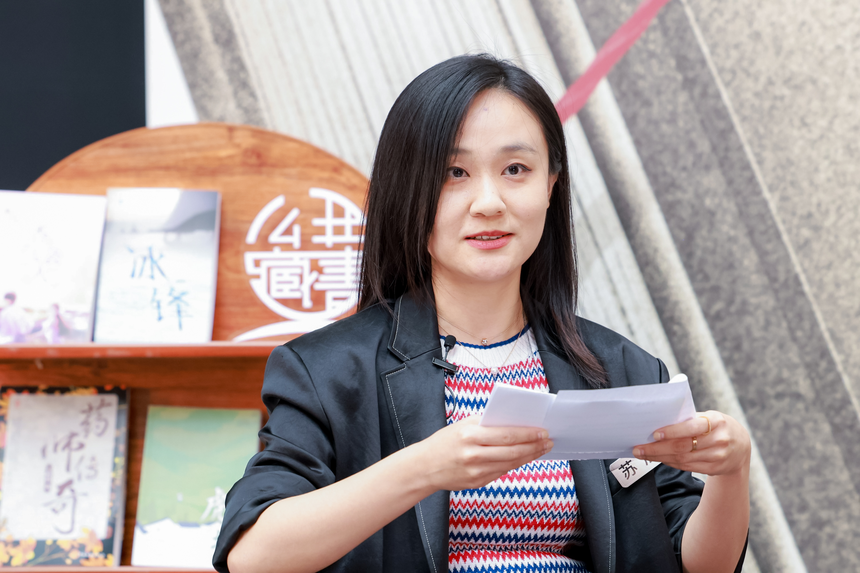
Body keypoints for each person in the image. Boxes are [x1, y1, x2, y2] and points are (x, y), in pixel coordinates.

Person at [214, 54, 750, 573]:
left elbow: (698, 563)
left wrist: (733, 470)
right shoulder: (326, 371)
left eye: (516, 169)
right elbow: (253, 555)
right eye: (455, 172)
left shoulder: (621, 369)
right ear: (408, 190)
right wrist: (425, 468)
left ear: (550, 186)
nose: (489, 202)